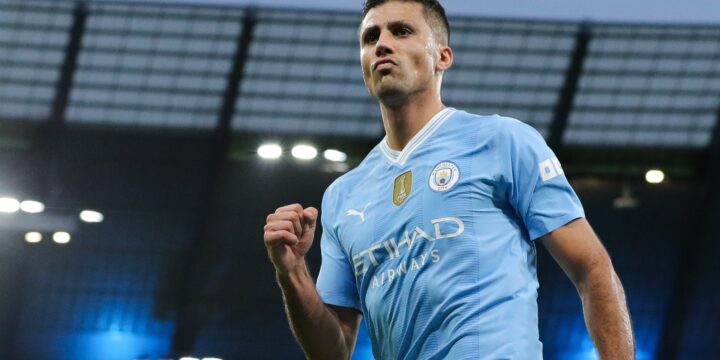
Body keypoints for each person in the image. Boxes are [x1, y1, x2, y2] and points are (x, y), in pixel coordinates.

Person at [263, 0, 635, 358]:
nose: (382, 45)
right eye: (370, 37)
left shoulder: (501, 140)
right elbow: (333, 351)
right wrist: (293, 272)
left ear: (443, 56)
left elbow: (591, 269)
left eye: (402, 31)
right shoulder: (343, 196)